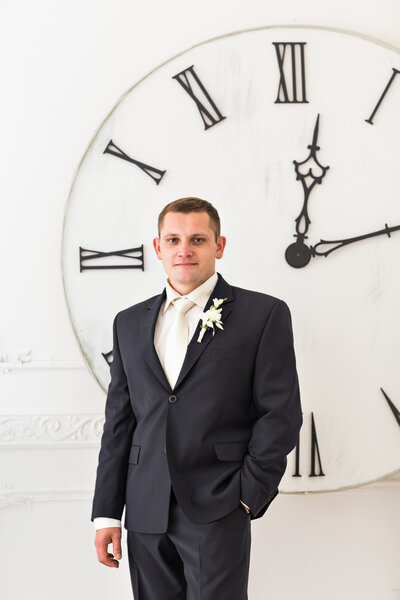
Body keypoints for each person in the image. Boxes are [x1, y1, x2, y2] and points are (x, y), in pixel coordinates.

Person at [91, 197, 302, 599]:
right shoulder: (129, 322)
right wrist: (106, 513)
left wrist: (247, 496)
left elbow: (281, 413)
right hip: (144, 507)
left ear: (219, 246)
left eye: (197, 239)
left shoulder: (263, 314)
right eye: (172, 239)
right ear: (158, 248)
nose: (183, 250)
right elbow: (119, 423)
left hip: (219, 504)